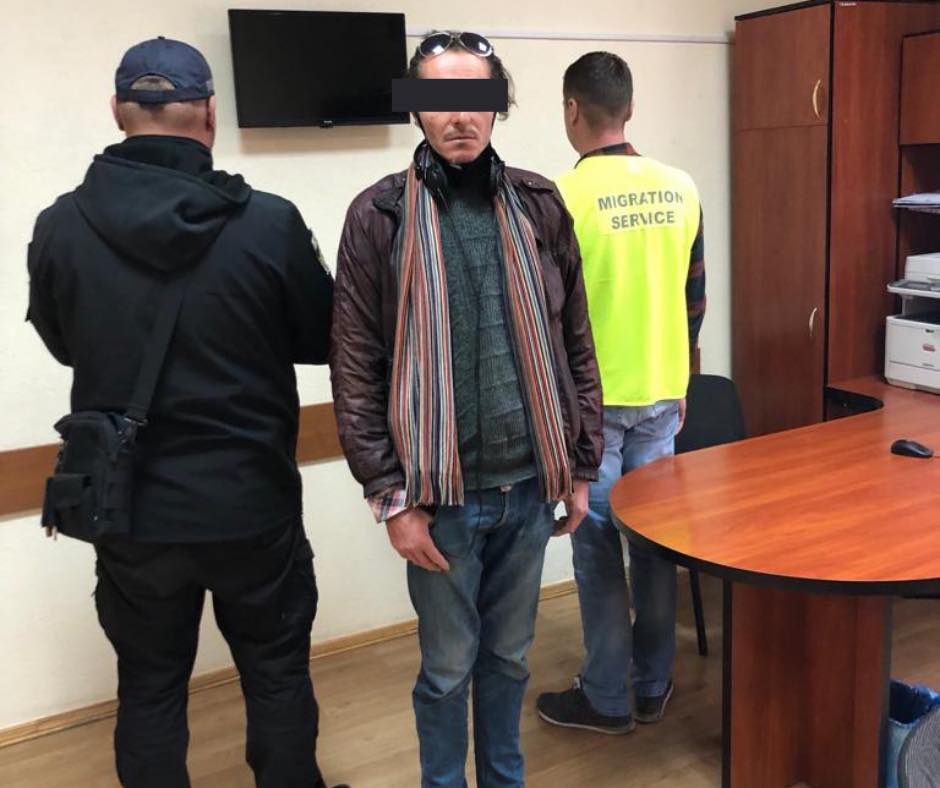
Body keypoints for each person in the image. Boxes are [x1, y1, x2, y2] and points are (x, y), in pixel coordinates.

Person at [26, 37, 342, 788]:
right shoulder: (269, 223)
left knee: (149, 687)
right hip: (251, 501)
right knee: (276, 674)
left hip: (130, 509)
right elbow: (321, 338)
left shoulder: (60, 225)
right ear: (209, 114)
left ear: (117, 111)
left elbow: (65, 346)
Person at [330, 30, 603, 788]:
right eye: (439, 98)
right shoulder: (379, 215)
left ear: (498, 105)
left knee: (509, 659)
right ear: (415, 110)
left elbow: (577, 344)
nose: (459, 116)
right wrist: (390, 498)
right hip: (439, 499)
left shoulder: (539, 205)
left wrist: (581, 466)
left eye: (476, 97)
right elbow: (355, 367)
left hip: (529, 487)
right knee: (448, 670)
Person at [536, 51, 706, 734]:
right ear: (630, 108)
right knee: (655, 546)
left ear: (572, 109)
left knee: (599, 551)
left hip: (591, 412)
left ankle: (607, 698)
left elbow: (545, 319)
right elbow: (694, 296)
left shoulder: (557, 199)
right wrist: (683, 375)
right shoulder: (682, 187)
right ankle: (652, 684)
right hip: (663, 396)